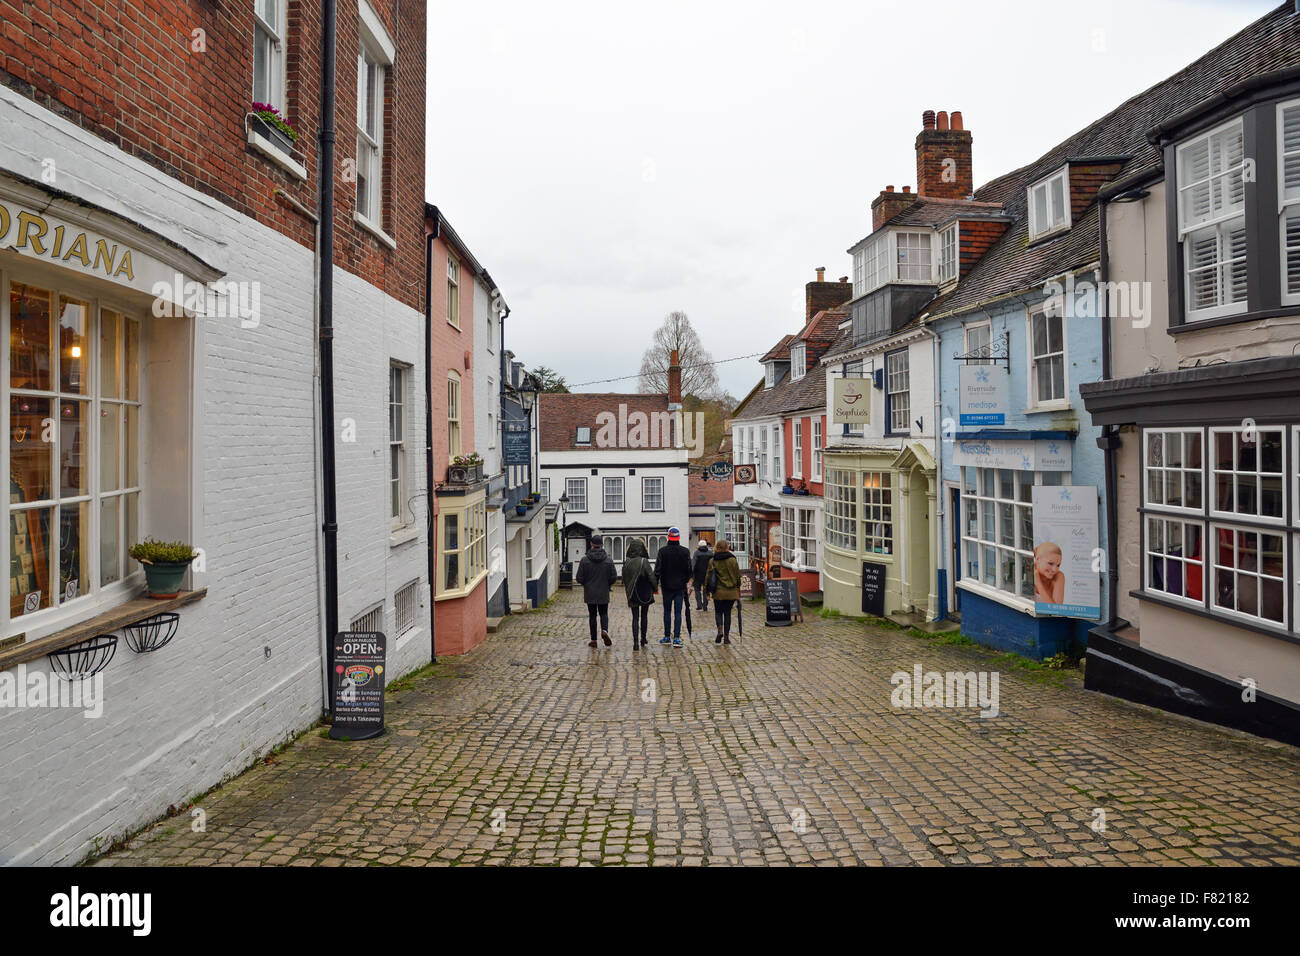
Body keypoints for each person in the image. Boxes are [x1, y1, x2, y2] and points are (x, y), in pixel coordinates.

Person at [654, 527, 693, 647]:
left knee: (667, 612)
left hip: (666, 586)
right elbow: (689, 570)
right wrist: (688, 583)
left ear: (668, 537)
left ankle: (667, 636)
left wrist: (655, 585)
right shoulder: (685, 551)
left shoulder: (662, 551)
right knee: (678, 613)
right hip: (680, 587)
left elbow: (657, 570)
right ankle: (676, 638)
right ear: (678, 537)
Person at [576, 534, 617, 647]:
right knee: (604, 613)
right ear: (602, 545)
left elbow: (579, 578)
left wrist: (587, 585)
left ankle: (594, 640)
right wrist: (607, 585)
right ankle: (604, 630)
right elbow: (614, 576)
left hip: (590, 593)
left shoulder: (584, 560)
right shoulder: (608, 560)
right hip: (603, 591)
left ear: (591, 544)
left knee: (592, 615)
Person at [621, 538, 657, 650]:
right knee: (644, 616)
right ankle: (643, 638)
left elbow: (624, 579)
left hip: (632, 592)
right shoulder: (644, 561)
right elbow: (651, 576)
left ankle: (635, 643)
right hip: (644, 592)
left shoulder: (626, 562)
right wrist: (655, 588)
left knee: (635, 618)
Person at [707, 539, 742, 644]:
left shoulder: (712, 561)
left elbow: (708, 577)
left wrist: (707, 592)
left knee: (718, 612)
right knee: (727, 613)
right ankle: (726, 637)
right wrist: (738, 587)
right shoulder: (733, 560)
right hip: (731, 592)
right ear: (727, 547)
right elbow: (737, 576)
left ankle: (720, 630)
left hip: (718, 592)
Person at [692, 539, 714, 611]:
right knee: (706, 590)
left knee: (697, 590)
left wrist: (691, 574)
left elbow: (693, 564)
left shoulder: (696, 553)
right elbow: (713, 564)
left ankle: (699, 605)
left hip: (698, 574)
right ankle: (705, 605)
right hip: (707, 575)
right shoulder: (710, 553)